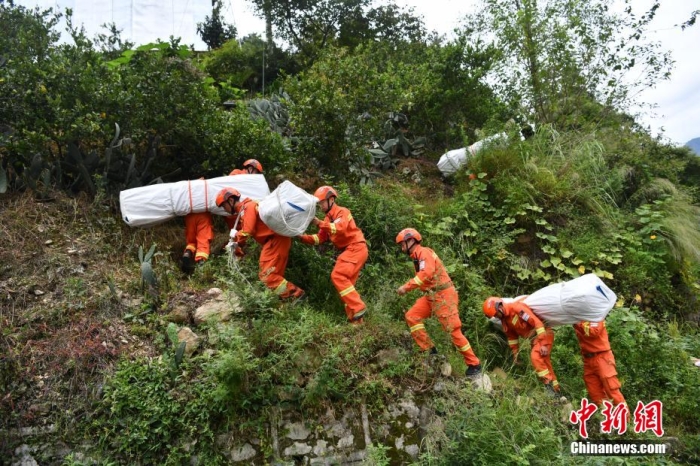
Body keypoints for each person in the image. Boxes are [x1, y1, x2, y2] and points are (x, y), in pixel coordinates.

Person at [396, 228, 482, 377]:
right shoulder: (417, 256)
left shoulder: (423, 253)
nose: (401, 247)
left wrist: (406, 287)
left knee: (453, 331)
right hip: (431, 296)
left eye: (402, 244)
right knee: (412, 316)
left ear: (411, 241)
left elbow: (426, 273)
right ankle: (430, 351)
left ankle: (474, 364)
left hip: (443, 296)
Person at [216, 187, 305, 300]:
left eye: (224, 205)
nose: (225, 209)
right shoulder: (245, 210)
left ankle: (295, 295)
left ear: (231, 200)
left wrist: (236, 236)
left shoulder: (248, 207)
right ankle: (287, 300)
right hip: (276, 241)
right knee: (274, 275)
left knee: (267, 276)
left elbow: (248, 231)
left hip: (275, 241)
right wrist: (237, 245)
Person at [299, 186, 368, 324]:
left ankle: (359, 307)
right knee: (348, 289)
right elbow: (320, 239)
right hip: (352, 250)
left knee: (337, 275)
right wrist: (301, 237)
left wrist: (319, 223)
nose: (320, 205)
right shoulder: (327, 219)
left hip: (355, 248)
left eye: (322, 202)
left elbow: (339, 228)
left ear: (331, 199)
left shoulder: (343, 212)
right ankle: (357, 323)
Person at [483, 297, 560, 393]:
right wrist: (516, 354)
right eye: (494, 316)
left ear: (500, 307)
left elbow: (537, 323)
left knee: (535, 357)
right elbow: (512, 339)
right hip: (534, 340)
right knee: (545, 362)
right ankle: (556, 390)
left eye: (496, 314)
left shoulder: (517, 309)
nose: (496, 317)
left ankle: (549, 388)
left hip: (544, 334)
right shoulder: (505, 322)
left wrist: (543, 343)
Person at [573, 320, 626, 406]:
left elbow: (594, 332)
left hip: (602, 357)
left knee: (611, 390)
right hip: (588, 360)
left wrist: (578, 324)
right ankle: (605, 416)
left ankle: (625, 418)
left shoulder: (596, 316)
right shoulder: (579, 319)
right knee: (595, 393)